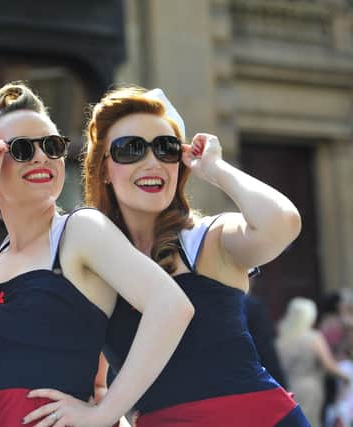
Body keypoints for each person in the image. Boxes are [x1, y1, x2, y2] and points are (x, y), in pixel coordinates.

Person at [0, 82, 194, 427]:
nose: (42, 157)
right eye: (22, 149)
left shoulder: (80, 231)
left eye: (52, 146)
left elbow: (172, 306)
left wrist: (105, 413)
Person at [69, 86, 308, 426]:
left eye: (165, 149)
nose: (152, 161)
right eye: (130, 149)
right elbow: (97, 386)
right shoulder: (93, 262)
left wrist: (215, 169)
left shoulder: (206, 239)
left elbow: (283, 223)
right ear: (103, 169)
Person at [277, 297, 350, 427]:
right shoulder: (313, 338)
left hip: (287, 388)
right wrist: (346, 377)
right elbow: (329, 365)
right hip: (310, 389)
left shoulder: (281, 339)